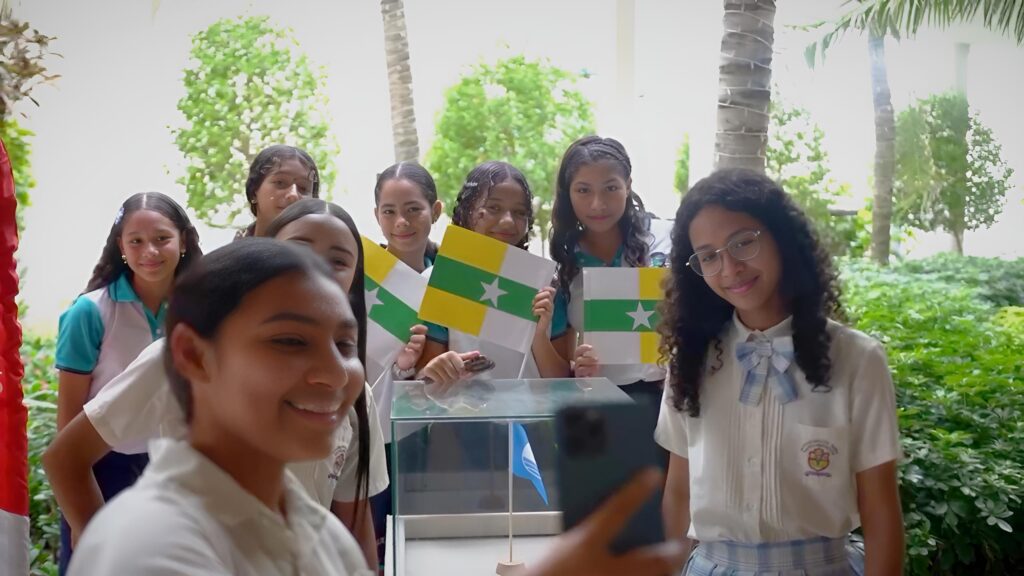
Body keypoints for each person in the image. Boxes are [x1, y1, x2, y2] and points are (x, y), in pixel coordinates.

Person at [44, 200, 388, 568]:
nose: (334, 373)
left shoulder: (322, 537)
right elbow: (67, 456)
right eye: (289, 342)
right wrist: (90, 537)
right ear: (194, 357)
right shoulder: (155, 550)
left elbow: (356, 524)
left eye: (344, 345)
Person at [656, 168, 904, 574]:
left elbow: (880, 509)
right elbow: (678, 493)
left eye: (743, 242)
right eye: (709, 256)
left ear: (781, 238)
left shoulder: (858, 359)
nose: (730, 268)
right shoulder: (690, 359)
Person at [52, 191, 201, 574]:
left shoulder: (202, 312)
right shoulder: (90, 312)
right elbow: (68, 422)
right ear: (120, 246)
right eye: (136, 241)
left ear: (183, 241)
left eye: (162, 238)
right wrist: (80, 515)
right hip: (103, 470)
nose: (149, 251)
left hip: (177, 471)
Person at [415, 160, 571, 385]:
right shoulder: (437, 281)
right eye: (493, 208)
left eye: (520, 212)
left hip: (532, 408)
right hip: (463, 408)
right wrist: (438, 368)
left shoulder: (548, 287)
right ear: (467, 209)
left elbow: (561, 381)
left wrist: (538, 334)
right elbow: (425, 377)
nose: (508, 221)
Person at [548, 136, 671, 408]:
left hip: (672, 399)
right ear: (568, 194)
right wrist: (579, 368)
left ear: (628, 186)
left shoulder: (665, 240)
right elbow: (562, 364)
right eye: (583, 190)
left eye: (610, 188)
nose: (598, 204)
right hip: (601, 407)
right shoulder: (564, 263)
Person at [236, 144, 320, 239]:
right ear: (254, 192)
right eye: (280, 183)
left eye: (303, 188)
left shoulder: (324, 247)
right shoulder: (233, 248)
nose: (293, 195)